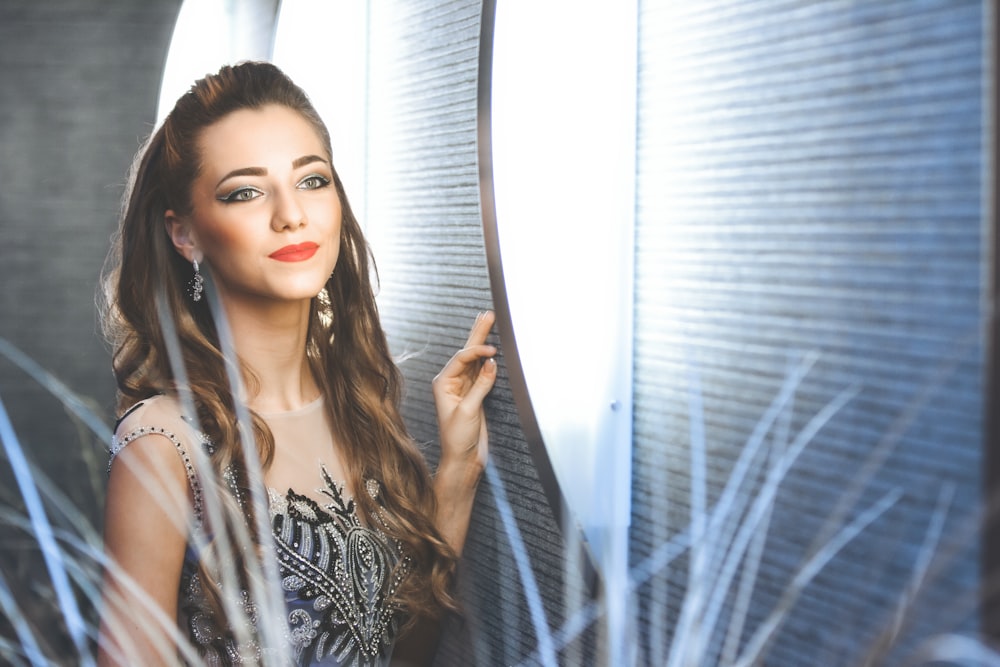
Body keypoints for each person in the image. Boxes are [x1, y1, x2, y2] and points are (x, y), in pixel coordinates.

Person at [96, 61, 497, 666]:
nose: (291, 214)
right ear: (186, 236)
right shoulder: (166, 441)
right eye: (245, 192)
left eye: (312, 180)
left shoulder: (362, 411)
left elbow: (403, 655)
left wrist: (459, 471)